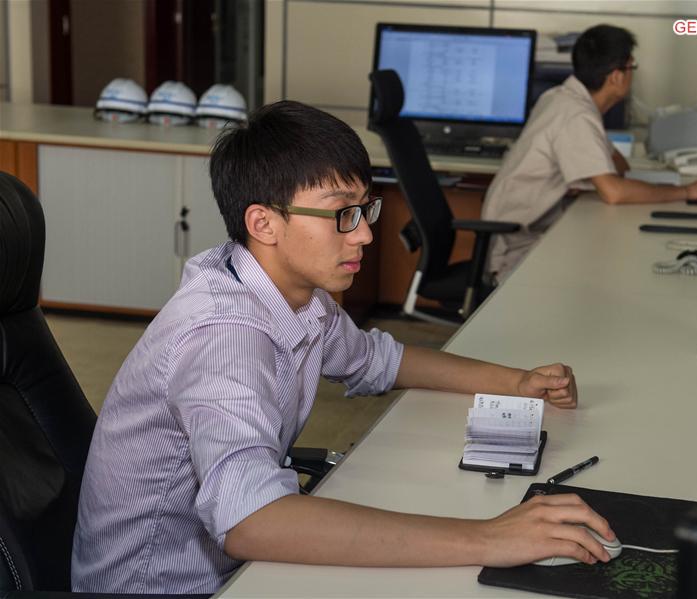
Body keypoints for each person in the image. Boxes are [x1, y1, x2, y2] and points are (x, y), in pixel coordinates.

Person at [71, 101, 616, 594]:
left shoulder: (288, 289)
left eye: (365, 210)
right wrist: (489, 539)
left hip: (225, 566)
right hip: (167, 587)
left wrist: (516, 383)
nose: (364, 235)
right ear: (263, 222)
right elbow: (252, 522)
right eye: (341, 214)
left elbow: (381, 360)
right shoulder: (225, 339)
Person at [482, 24, 697, 280]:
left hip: (531, 232)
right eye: (631, 67)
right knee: (619, 267)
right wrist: (688, 191)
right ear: (616, 76)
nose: (632, 75)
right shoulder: (576, 114)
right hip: (516, 250)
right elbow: (613, 191)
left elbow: (620, 168)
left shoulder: (564, 98)